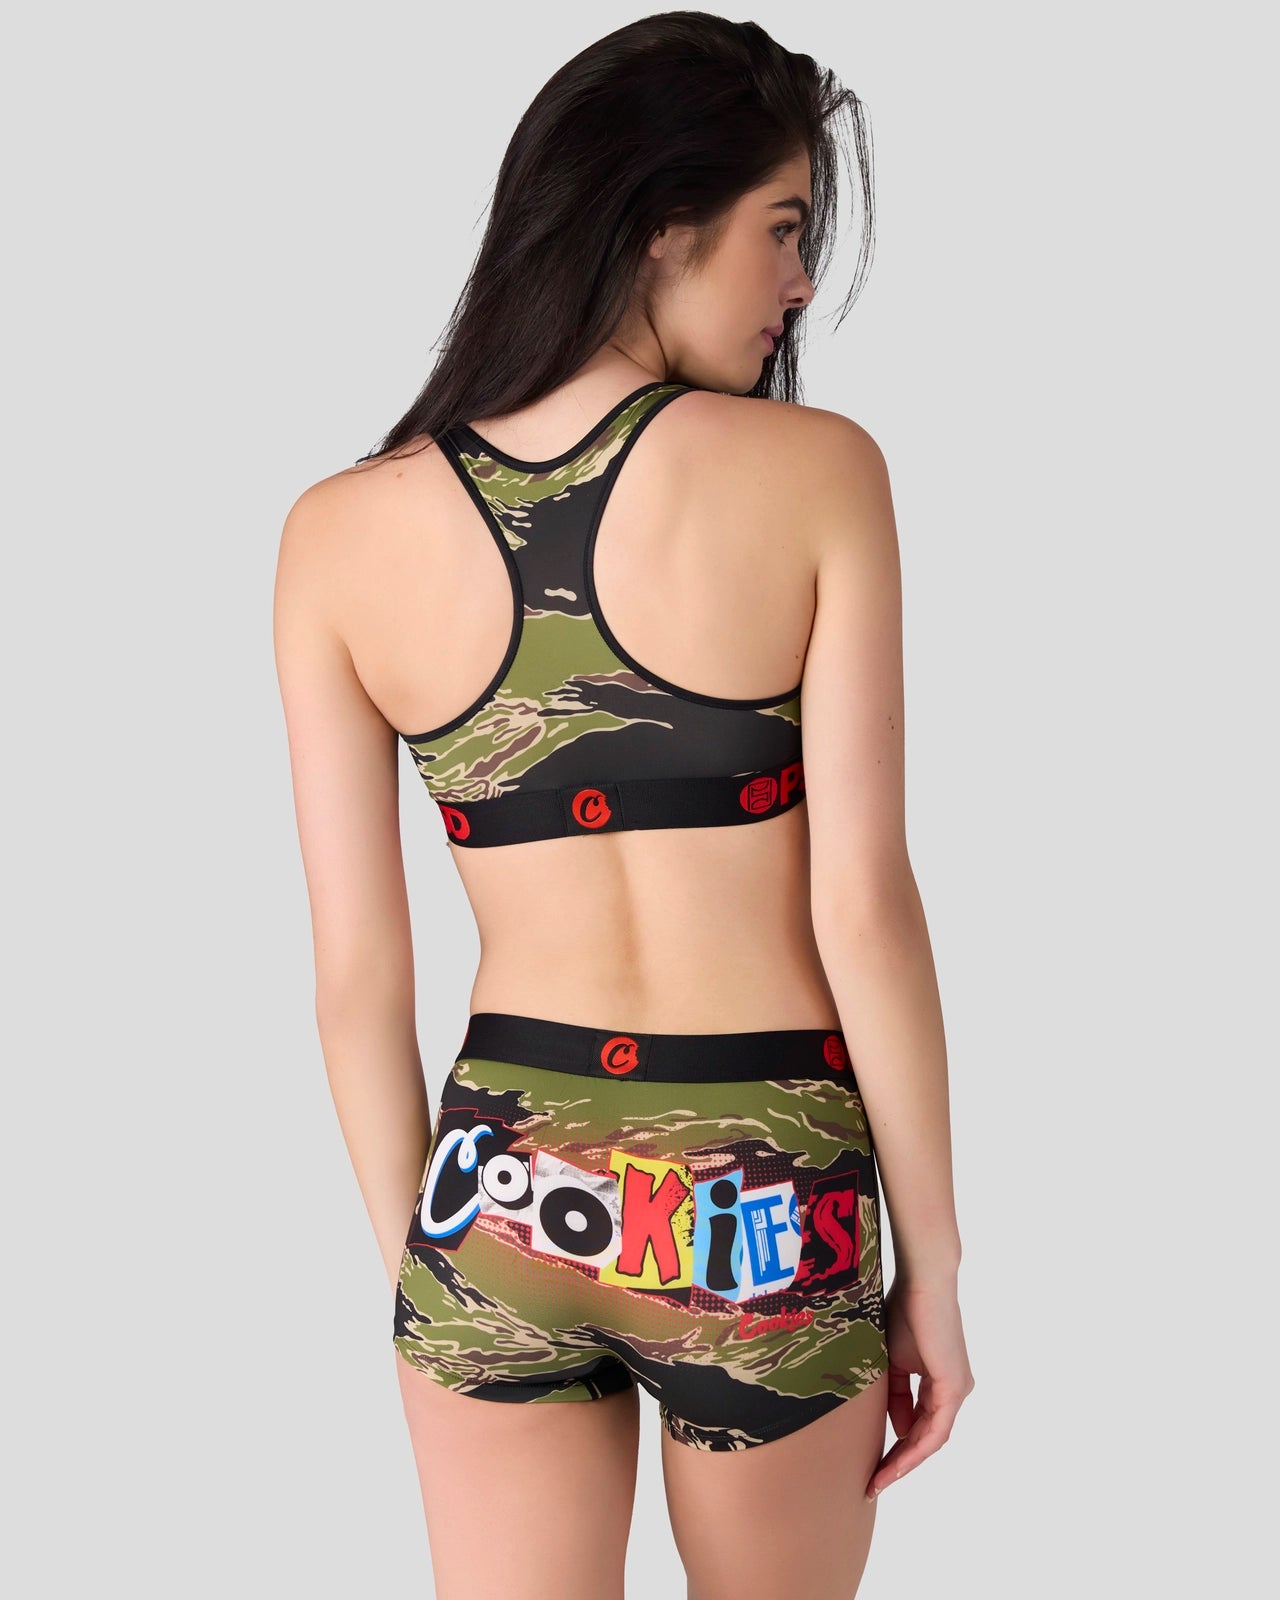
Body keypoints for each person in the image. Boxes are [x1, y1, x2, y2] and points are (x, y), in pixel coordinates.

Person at [274, 13, 973, 1599]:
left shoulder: (334, 533)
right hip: (762, 1192)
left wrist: (432, 1274)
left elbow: (355, 979)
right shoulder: (817, 471)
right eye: (783, 229)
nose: (802, 283)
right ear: (663, 223)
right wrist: (933, 1264)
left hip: (496, 1191)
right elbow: (863, 905)